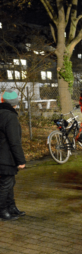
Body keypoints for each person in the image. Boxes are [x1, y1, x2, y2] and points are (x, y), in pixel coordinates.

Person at [0, 90, 26, 221]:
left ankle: (11, 207)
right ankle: (3, 211)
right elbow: (14, 141)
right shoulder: (10, 117)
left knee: (9, 183)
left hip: (3, 157)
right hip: (6, 158)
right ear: (15, 103)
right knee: (5, 185)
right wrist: (20, 160)